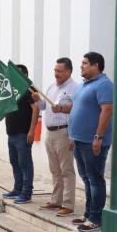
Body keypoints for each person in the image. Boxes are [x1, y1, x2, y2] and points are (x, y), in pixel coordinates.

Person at [0, 64, 39, 204]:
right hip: (12, 134)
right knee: (15, 163)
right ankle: (17, 189)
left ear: (22, 75)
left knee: (25, 164)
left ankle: (26, 193)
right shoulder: (12, 90)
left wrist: (32, 130)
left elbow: (36, 109)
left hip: (23, 134)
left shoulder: (29, 89)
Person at [66, 52, 113, 232]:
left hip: (93, 142)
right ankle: (88, 213)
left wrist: (98, 137)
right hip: (79, 140)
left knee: (95, 179)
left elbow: (107, 110)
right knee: (86, 179)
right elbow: (77, 108)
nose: (81, 66)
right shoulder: (83, 86)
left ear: (95, 65)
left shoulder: (104, 85)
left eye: (85, 63)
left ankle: (96, 218)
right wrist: (72, 135)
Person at [32, 58, 78, 217]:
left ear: (69, 71)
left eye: (59, 71)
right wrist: (38, 100)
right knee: (55, 169)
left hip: (64, 133)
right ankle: (55, 200)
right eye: (55, 71)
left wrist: (73, 136)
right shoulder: (52, 87)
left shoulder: (74, 89)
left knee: (66, 170)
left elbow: (77, 113)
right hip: (50, 133)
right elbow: (44, 106)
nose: (56, 74)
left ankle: (68, 204)